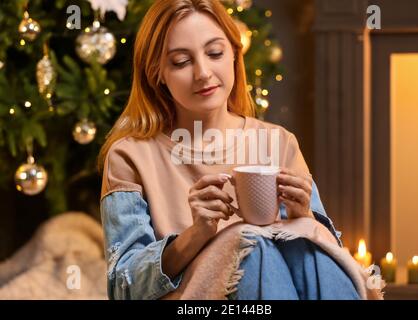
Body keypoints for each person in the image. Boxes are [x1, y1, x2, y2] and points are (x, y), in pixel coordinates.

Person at [98, 0, 359, 300]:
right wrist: (196, 235)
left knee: (311, 248)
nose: (203, 73)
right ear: (157, 72)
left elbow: (326, 274)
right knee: (251, 244)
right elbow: (123, 287)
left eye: (215, 53)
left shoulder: (280, 143)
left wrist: (305, 220)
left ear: (235, 54)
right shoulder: (129, 156)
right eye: (182, 61)